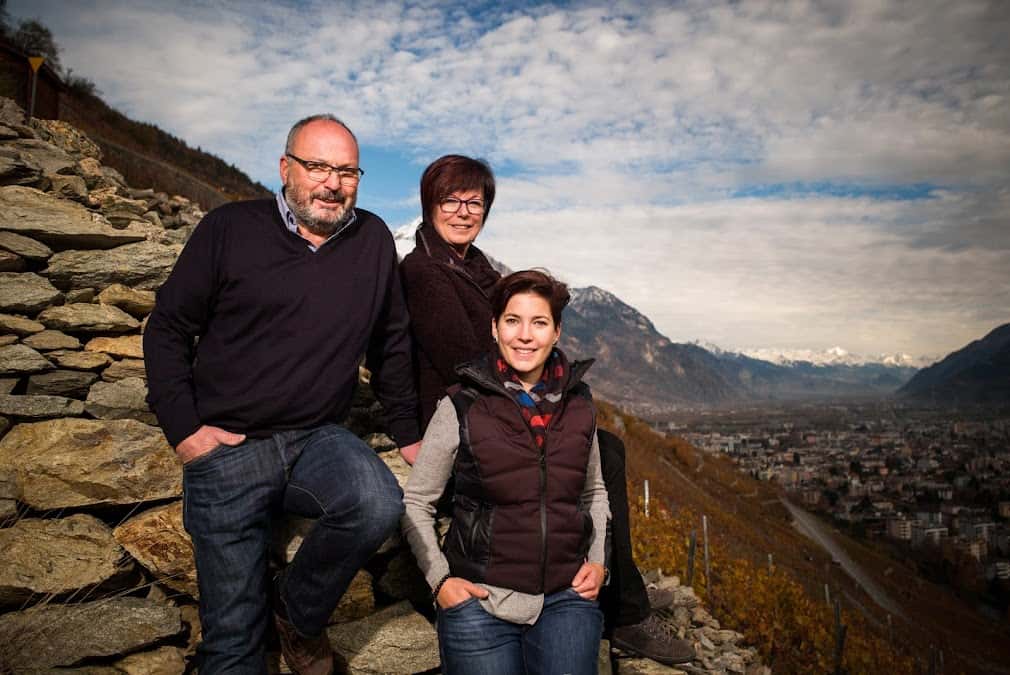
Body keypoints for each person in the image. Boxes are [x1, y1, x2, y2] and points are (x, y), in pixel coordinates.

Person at [144, 114, 421, 675]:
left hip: (317, 439)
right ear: (285, 168)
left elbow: (391, 345)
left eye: (347, 171)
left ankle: (295, 610)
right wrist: (186, 432)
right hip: (229, 447)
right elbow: (167, 328)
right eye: (317, 166)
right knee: (233, 646)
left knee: (378, 503)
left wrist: (409, 435)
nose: (333, 183)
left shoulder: (371, 240)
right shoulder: (229, 228)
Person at [399, 154, 694, 666]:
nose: (464, 211)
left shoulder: (474, 265)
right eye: (451, 200)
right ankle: (624, 608)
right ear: (429, 204)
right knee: (607, 454)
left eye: (475, 202)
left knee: (596, 452)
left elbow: (515, 330)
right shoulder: (425, 270)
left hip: (505, 396)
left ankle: (611, 581)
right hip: (474, 403)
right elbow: (464, 359)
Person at [402, 269, 609, 674]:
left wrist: (599, 562)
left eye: (539, 323)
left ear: (557, 332)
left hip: (565, 596)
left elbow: (594, 492)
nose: (525, 336)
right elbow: (416, 501)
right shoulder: (461, 405)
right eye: (513, 321)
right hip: (479, 601)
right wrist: (441, 582)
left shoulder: (580, 404)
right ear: (494, 328)